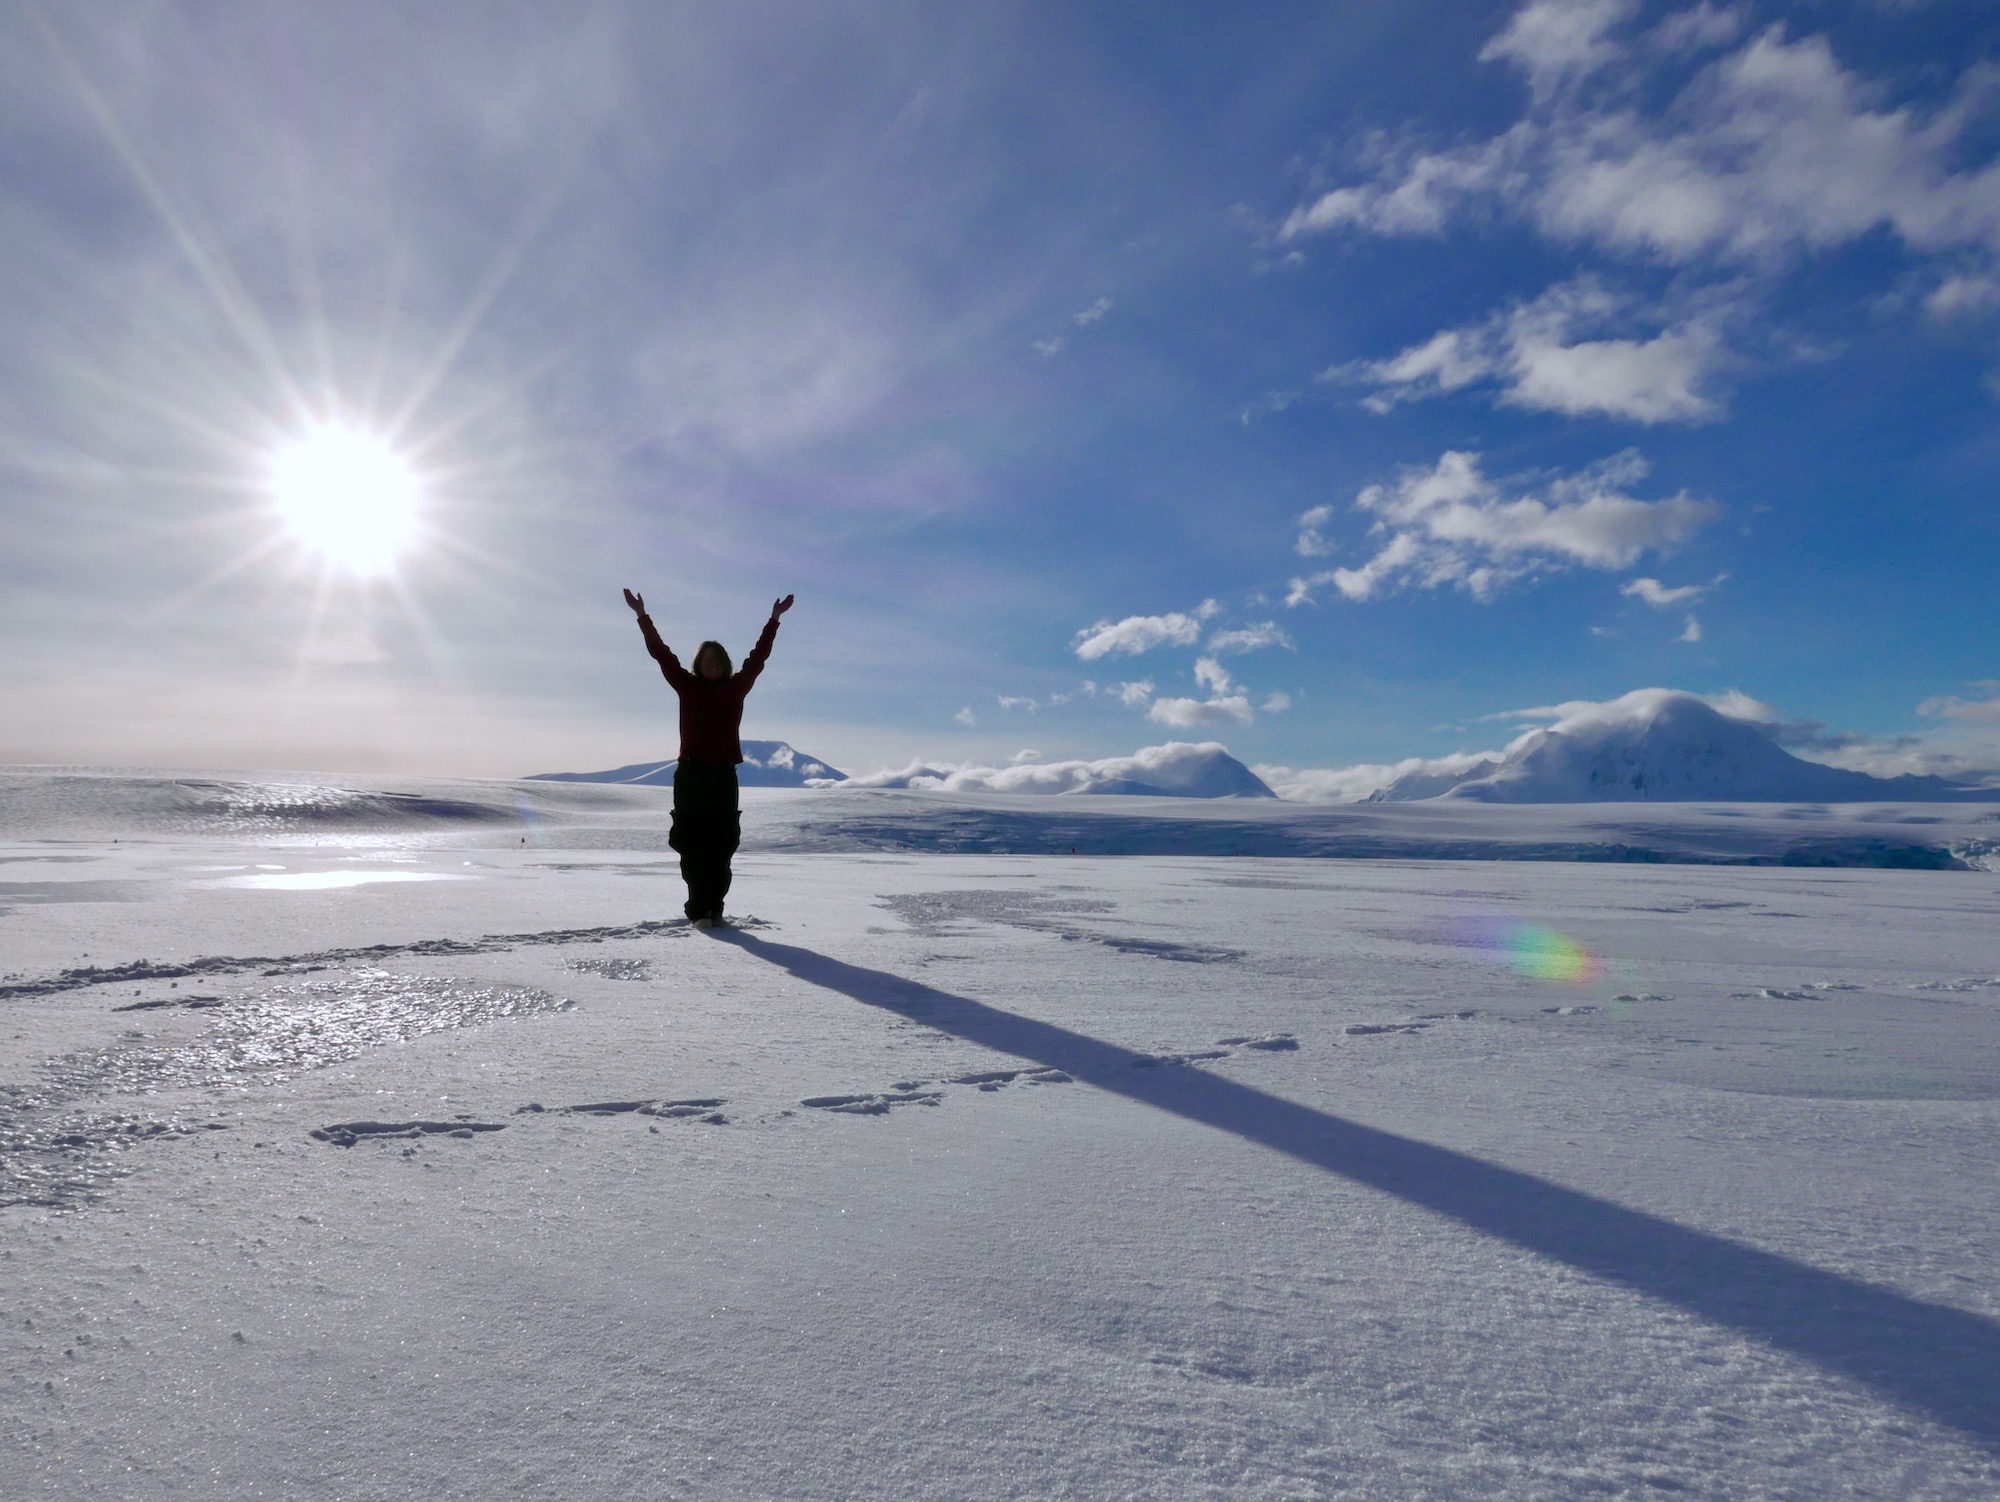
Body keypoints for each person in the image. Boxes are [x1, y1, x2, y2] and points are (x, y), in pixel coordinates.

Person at [622, 586, 794, 928]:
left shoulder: (737, 687)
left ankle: (715, 910)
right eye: (706, 661)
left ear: (724, 665)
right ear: (699, 665)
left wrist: (773, 621)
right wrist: (642, 616)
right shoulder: (687, 685)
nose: (712, 666)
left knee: (723, 844)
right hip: (691, 775)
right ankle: (699, 910)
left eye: (717, 662)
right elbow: (662, 654)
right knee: (689, 842)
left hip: (723, 775)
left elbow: (757, 658)